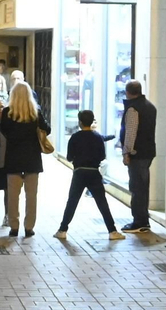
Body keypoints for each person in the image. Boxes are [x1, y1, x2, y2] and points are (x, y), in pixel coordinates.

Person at [55, 111, 126, 241]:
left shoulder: (75, 137)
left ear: (80, 122)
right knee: (102, 203)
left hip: (79, 173)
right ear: (92, 121)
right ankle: (112, 231)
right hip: (94, 173)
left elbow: (69, 157)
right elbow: (102, 156)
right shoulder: (98, 137)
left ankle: (62, 230)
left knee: (72, 202)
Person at [0, 82, 48, 237]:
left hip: (13, 158)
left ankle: (14, 226)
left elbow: (4, 130)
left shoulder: (7, 112)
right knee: (31, 195)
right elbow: (47, 128)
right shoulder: (35, 112)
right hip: (32, 159)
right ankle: (29, 227)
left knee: (13, 195)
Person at [120, 80, 159, 234]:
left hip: (137, 154)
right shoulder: (150, 106)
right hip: (148, 152)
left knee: (137, 187)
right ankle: (143, 219)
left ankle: (139, 221)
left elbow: (130, 132)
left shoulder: (133, 109)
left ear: (128, 92)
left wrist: (126, 152)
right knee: (143, 186)